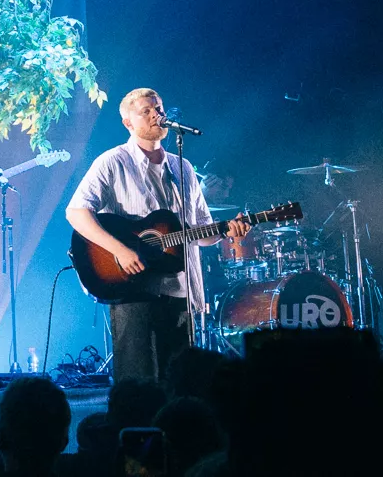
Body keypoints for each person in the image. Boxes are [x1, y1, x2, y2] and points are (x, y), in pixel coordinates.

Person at [65, 88, 250, 382]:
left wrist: (226, 230)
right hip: (133, 288)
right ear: (128, 123)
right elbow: (76, 212)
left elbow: (200, 232)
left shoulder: (182, 167)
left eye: (159, 108)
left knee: (179, 382)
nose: (156, 115)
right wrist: (121, 250)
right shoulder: (112, 162)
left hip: (180, 290)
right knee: (138, 384)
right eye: (146, 111)